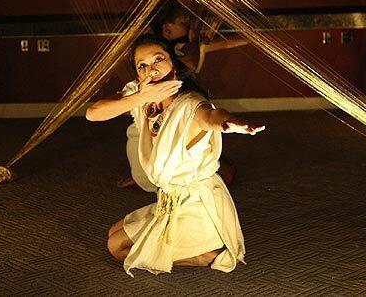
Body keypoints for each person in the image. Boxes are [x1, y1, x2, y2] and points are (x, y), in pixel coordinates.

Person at [86, 34, 264, 276]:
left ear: (173, 64)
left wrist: (229, 123)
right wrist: (142, 96)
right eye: (142, 65)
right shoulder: (141, 96)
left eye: (158, 59)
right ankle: (191, 247)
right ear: (138, 75)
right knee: (113, 233)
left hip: (198, 208)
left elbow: (210, 116)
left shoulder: (189, 104)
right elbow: (93, 113)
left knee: (116, 247)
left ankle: (208, 255)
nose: (151, 69)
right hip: (170, 202)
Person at [117, 0, 248, 190]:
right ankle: (143, 178)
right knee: (147, 156)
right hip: (154, 117)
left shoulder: (189, 46)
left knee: (220, 170)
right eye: (184, 23)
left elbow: (222, 46)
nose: (189, 28)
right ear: (167, 28)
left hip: (187, 111)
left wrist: (251, 38)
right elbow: (192, 64)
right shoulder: (167, 52)